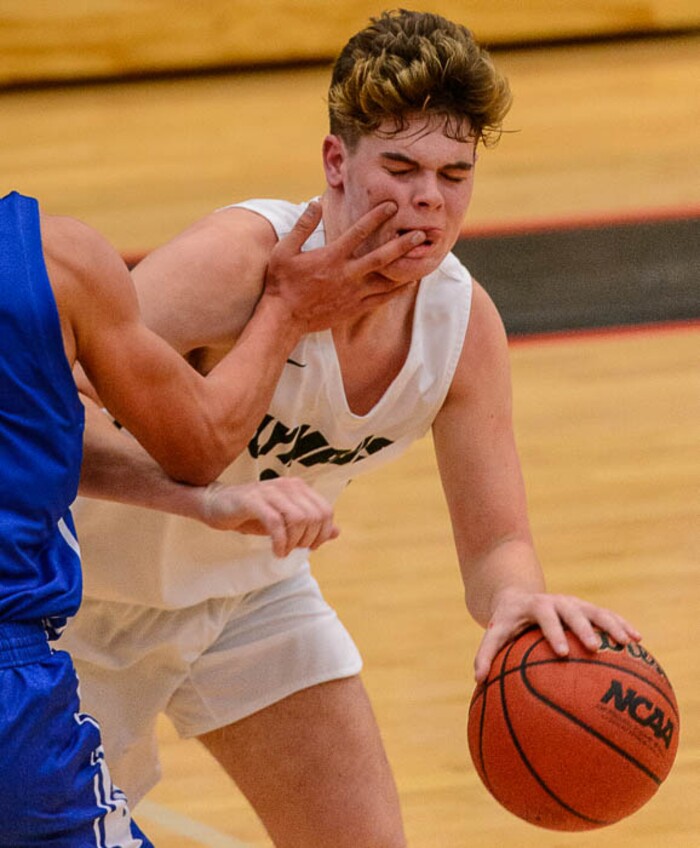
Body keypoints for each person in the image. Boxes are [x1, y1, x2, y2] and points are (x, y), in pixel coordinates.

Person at [63, 10, 642, 847]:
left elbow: (494, 543)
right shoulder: (237, 263)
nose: (426, 200)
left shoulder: (463, 327)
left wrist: (519, 600)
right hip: (82, 608)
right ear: (336, 162)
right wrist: (194, 499)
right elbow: (41, 416)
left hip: (248, 598)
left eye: (454, 174)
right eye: (400, 167)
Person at [0, 188, 421, 847]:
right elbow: (196, 442)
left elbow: (57, 428)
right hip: (21, 680)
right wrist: (285, 310)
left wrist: (202, 505)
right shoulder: (52, 261)